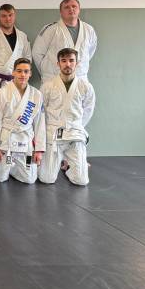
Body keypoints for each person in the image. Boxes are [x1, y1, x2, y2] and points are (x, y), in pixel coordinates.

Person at [38, 48, 96, 186]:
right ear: (58, 63)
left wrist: (76, 126)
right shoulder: (48, 86)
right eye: (63, 61)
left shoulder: (85, 86)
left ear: (77, 63)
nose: (67, 64)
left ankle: (68, 165)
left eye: (71, 60)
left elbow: (88, 110)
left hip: (74, 135)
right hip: (54, 135)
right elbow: (41, 112)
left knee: (81, 181)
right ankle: (57, 161)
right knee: (47, 179)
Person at [0, 58, 46, 184]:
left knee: (29, 179)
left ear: (30, 73)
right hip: (6, 141)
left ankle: (13, 168)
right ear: (13, 72)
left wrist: (39, 150)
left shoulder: (37, 95)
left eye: (26, 71)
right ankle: (8, 166)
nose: (22, 75)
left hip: (25, 141)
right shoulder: (2, 93)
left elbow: (39, 123)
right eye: (19, 71)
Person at [32, 0, 97, 81]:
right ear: (61, 12)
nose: (71, 9)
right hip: (54, 78)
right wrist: (46, 72)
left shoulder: (89, 30)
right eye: (66, 7)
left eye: (74, 6)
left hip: (80, 78)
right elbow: (37, 53)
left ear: (79, 9)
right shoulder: (50, 29)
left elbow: (90, 52)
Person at [0, 4, 32, 87]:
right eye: (4, 16)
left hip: (15, 80)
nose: (8, 19)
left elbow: (27, 58)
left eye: (10, 15)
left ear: (14, 16)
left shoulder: (23, 36)